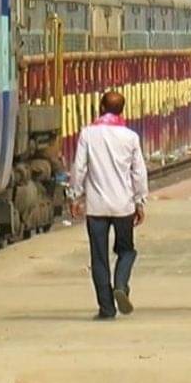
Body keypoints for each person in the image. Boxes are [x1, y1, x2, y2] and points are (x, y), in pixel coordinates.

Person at [67, 91, 149, 320]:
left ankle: (106, 308)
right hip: (123, 206)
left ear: (101, 107)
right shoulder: (130, 137)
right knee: (127, 250)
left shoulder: (87, 134)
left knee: (99, 257)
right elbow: (138, 173)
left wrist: (74, 196)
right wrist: (140, 201)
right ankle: (121, 284)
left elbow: (79, 168)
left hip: (96, 207)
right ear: (122, 109)